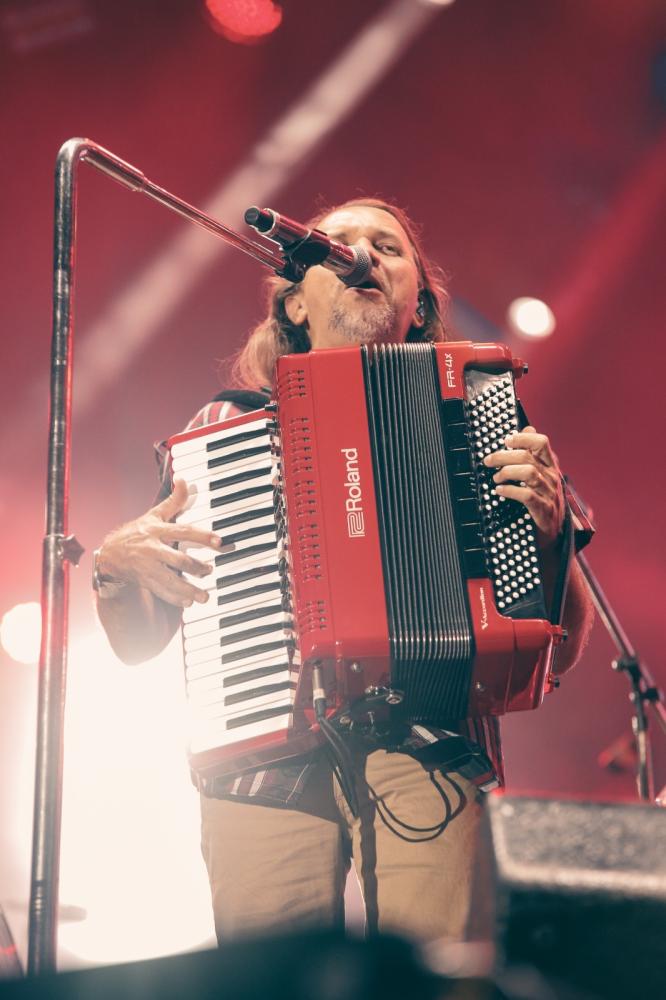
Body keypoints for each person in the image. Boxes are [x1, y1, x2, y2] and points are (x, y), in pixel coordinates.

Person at [94, 198, 594, 944]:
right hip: (264, 754)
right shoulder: (219, 432)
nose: (361, 255)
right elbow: (139, 642)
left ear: (418, 297)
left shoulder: (490, 416)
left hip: (429, 735)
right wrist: (113, 569)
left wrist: (552, 539)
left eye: (388, 247)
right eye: (340, 244)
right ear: (296, 297)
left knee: (439, 978)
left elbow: (562, 648)